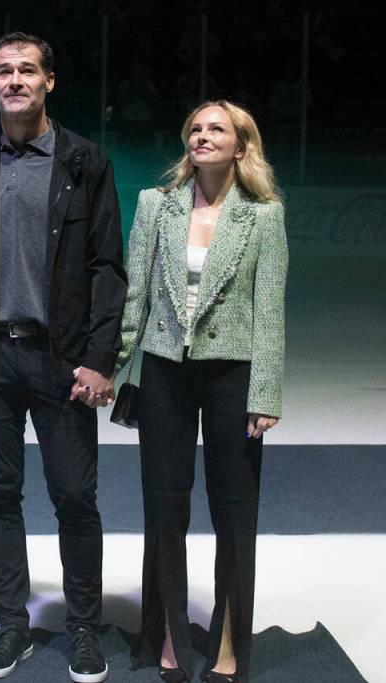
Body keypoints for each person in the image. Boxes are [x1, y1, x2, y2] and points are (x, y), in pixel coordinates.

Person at [0, 32, 126, 683]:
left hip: (62, 361)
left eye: (27, 70)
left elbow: (107, 267)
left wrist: (101, 358)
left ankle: (84, 628)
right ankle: (12, 624)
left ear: (49, 82)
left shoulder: (84, 162)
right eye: (4, 71)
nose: (15, 80)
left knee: (75, 494)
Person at [117, 100, 287, 683]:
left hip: (232, 374)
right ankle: (166, 632)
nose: (202, 135)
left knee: (235, 511)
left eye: (217, 128)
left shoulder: (263, 216)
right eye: (194, 127)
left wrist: (264, 392)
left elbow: (269, 313)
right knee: (164, 505)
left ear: (242, 145)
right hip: (165, 369)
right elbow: (135, 295)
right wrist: (113, 369)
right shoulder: (154, 205)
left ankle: (227, 645)